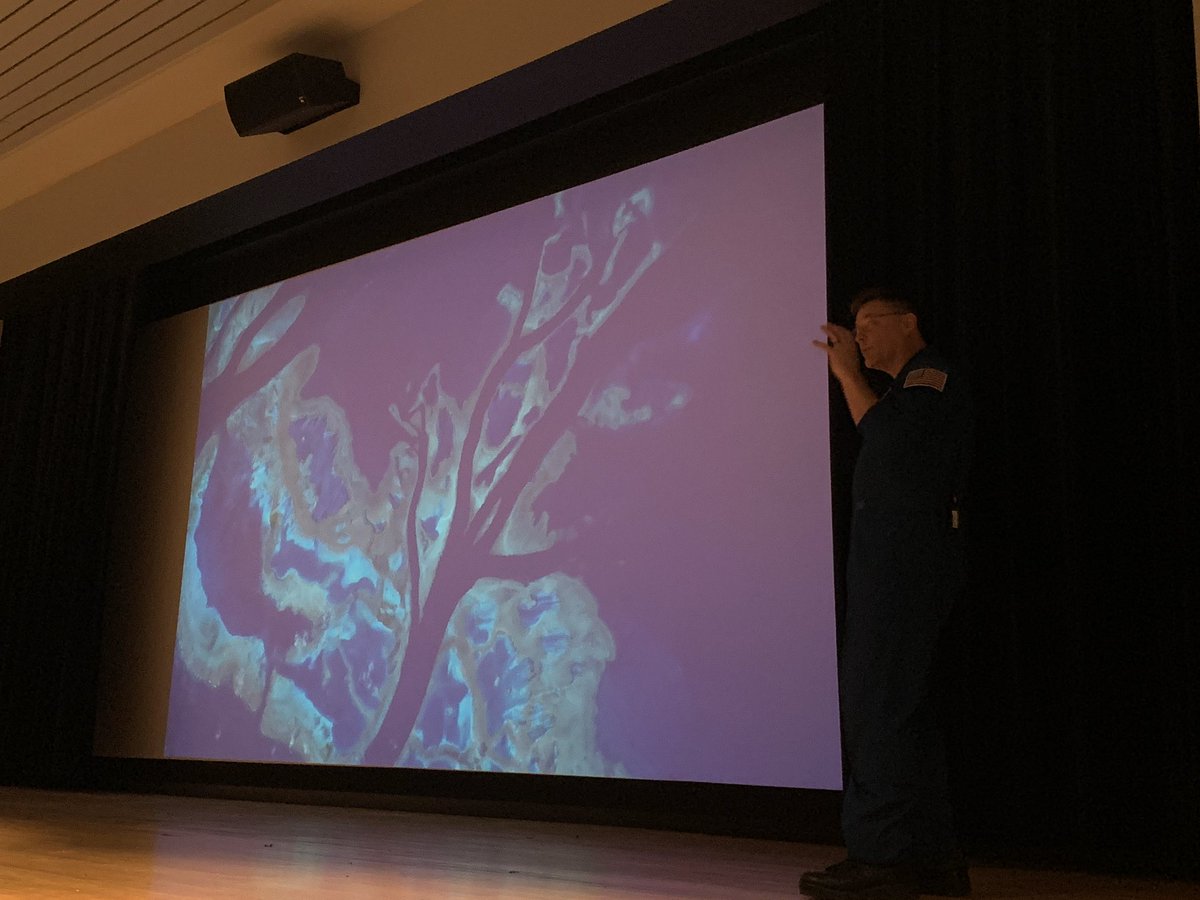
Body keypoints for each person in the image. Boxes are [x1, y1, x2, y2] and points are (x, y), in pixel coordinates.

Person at [801, 287, 972, 899]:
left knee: (879, 703)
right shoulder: (902, 393)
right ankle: (929, 857)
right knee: (903, 709)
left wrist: (848, 374)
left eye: (871, 323)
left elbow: (893, 443)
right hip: (895, 567)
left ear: (911, 321)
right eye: (856, 328)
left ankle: (882, 857)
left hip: (906, 567)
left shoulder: (930, 376)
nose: (860, 336)